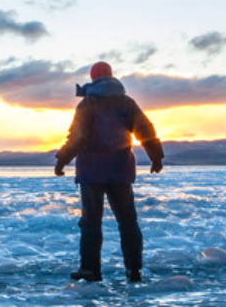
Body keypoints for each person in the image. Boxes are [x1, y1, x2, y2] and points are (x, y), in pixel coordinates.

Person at [54, 61, 164, 282]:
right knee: (127, 222)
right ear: (111, 76)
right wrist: (156, 156)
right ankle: (134, 270)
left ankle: (90, 270)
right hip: (119, 172)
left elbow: (78, 137)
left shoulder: (88, 104)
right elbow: (145, 130)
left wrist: (62, 160)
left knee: (91, 223)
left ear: (93, 78)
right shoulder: (126, 103)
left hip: (91, 173)